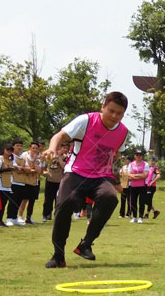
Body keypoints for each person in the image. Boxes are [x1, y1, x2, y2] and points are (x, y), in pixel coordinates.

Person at [44, 91, 130, 268]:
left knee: (110, 197)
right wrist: (52, 149)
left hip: (100, 176)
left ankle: (86, 244)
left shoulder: (122, 132)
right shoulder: (86, 120)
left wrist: (114, 178)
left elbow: (117, 154)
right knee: (65, 203)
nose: (114, 116)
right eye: (111, 111)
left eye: (119, 113)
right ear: (103, 106)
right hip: (75, 172)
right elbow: (59, 136)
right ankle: (58, 255)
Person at [43, 142, 68, 222]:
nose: (59, 149)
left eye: (60, 148)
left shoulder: (65, 157)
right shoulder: (50, 157)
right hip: (50, 180)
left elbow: (64, 166)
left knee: (58, 199)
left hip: (59, 181)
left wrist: (60, 157)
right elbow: (45, 166)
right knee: (48, 199)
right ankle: (46, 214)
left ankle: (57, 214)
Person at [0, 144, 14, 227]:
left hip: (7, 183)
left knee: (4, 203)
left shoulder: (9, 160)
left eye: (10, 151)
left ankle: (0, 219)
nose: (9, 152)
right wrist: (6, 169)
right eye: (7, 150)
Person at [21, 142, 41, 224]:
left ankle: (28, 217)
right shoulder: (25, 156)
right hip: (25, 181)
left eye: (36, 148)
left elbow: (39, 171)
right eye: (33, 148)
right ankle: (19, 216)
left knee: (32, 201)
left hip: (34, 181)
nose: (35, 150)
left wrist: (35, 161)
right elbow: (25, 169)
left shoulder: (38, 158)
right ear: (30, 148)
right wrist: (32, 169)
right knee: (24, 199)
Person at [8, 139, 27, 226]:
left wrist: (22, 168)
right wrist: (22, 168)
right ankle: (9, 218)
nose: (19, 147)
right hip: (14, 181)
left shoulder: (22, 158)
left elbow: (25, 168)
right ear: (13, 147)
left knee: (18, 201)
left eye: (20, 146)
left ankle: (15, 218)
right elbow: (17, 168)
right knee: (13, 200)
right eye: (17, 146)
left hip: (22, 182)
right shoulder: (11, 156)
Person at [127, 150, 149, 223]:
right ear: (134, 156)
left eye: (140, 155)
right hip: (133, 186)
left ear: (142, 156)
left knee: (141, 202)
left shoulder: (145, 164)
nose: (138, 157)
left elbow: (145, 175)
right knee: (133, 201)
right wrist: (139, 175)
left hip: (142, 186)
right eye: (137, 155)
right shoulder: (131, 164)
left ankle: (140, 217)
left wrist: (134, 176)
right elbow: (128, 175)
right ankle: (134, 217)